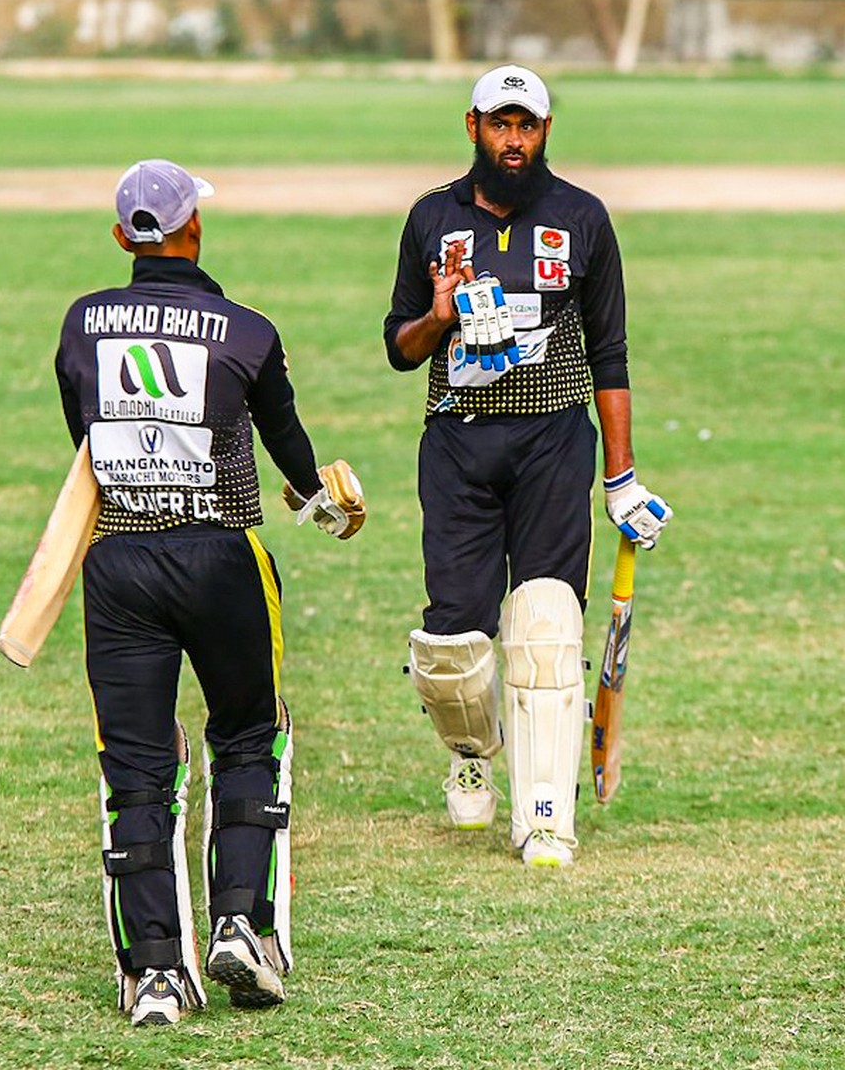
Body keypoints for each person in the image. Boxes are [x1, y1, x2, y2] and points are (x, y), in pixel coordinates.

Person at [55, 159, 364, 1025]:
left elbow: (85, 434)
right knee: (251, 736)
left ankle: (154, 975)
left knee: (136, 771)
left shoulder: (81, 325)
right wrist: (325, 501)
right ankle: (240, 924)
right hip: (224, 558)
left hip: (118, 565)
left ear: (122, 237)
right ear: (194, 227)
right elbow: (292, 454)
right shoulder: (246, 331)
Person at [384, 65, 671, 867]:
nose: (514, 141)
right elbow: (399, 348)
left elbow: (610, 354)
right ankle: (471, 751)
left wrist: (621, 478)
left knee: (546, 626)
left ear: (546, 130)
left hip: (553, 442)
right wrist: (437, 317)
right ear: (472, 125)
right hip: (457, 444)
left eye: (527, 126)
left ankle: (545, 817)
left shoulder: (582, 218)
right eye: (500, 124)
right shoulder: (432, 218)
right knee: (453, 643)